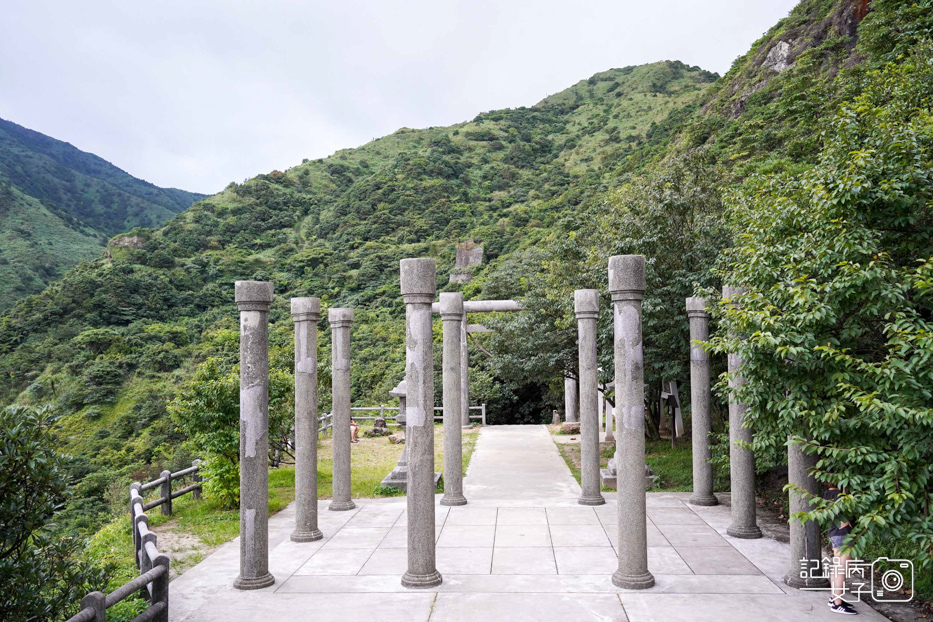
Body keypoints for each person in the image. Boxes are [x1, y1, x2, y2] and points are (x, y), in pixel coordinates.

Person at [825, 483, 857, 615]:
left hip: (835, 533)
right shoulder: (840, 496)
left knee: (837, 567)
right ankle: (837, 604)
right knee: (841, 569)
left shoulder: (827, 494)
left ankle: (834, 599)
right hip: (842, 535)